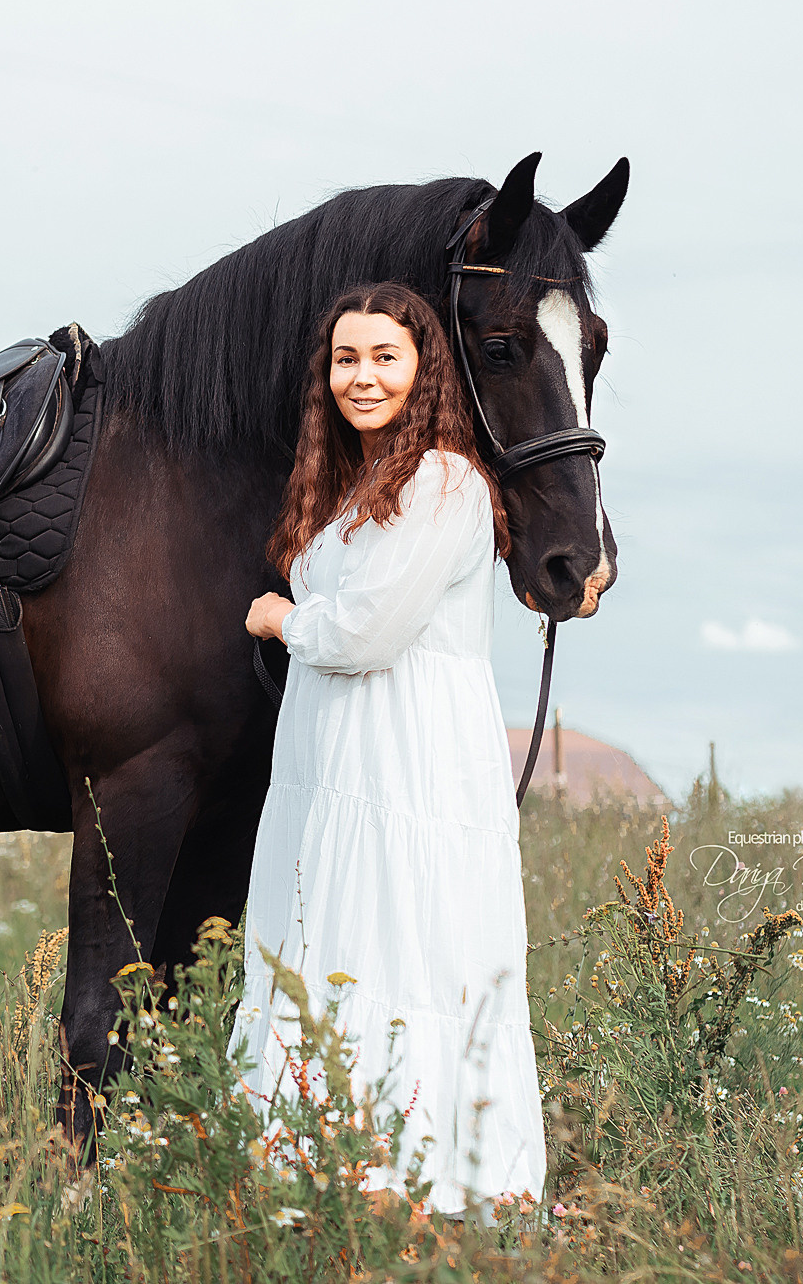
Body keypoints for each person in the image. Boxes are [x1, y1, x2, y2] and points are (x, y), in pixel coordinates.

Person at [233, 280, 545, 1220]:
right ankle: (325, 1167)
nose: (361, 378)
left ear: (424, 369)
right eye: (345, 359)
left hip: (412, 759)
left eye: (383, 358)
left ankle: (418, 1181)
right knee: (332, 944)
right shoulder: (348, 485)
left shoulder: (445, 481)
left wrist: (284, 617)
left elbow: (368, 632)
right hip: (334, 765)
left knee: (405, 949)